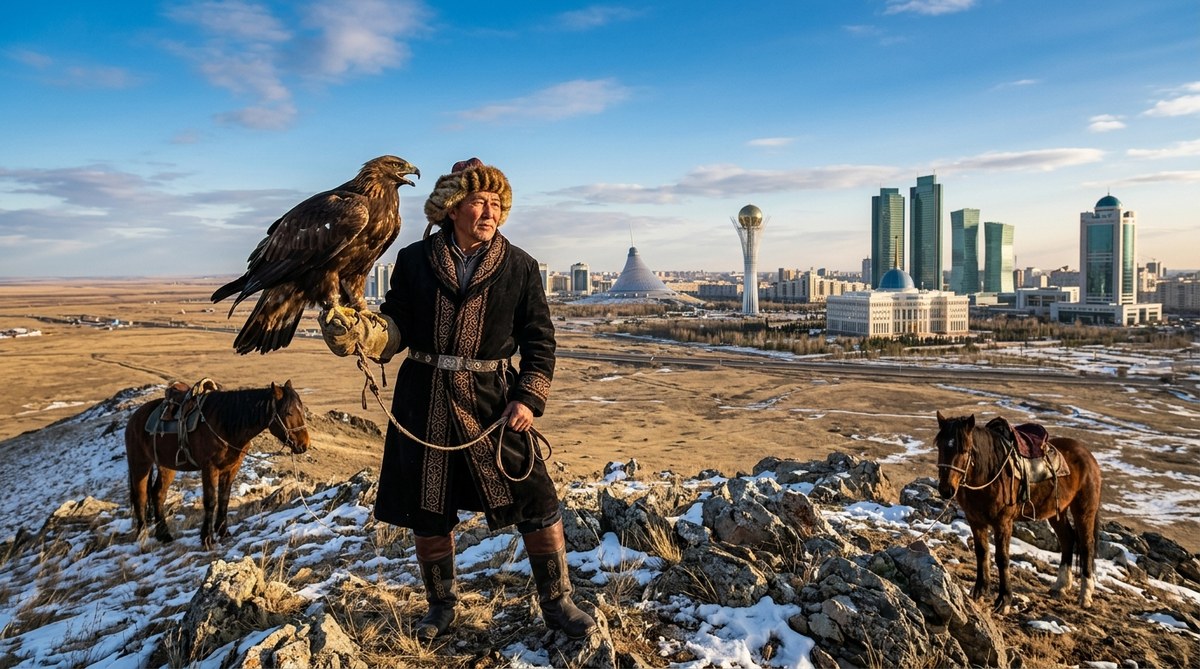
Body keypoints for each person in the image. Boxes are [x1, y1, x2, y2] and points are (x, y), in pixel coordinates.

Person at [318, 158, 595, 641]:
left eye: (496, 203)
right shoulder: (413, 261)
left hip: (494, 401)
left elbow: (540, 342)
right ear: (451, 207)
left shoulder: (522, 266)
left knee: (537, 500)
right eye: (478, 202)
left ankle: (557, 602)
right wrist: (363, 335)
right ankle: (440, 608)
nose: (490, 212)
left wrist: (529, 398)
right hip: (422, 399)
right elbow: (397, 326)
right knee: (428, 510)